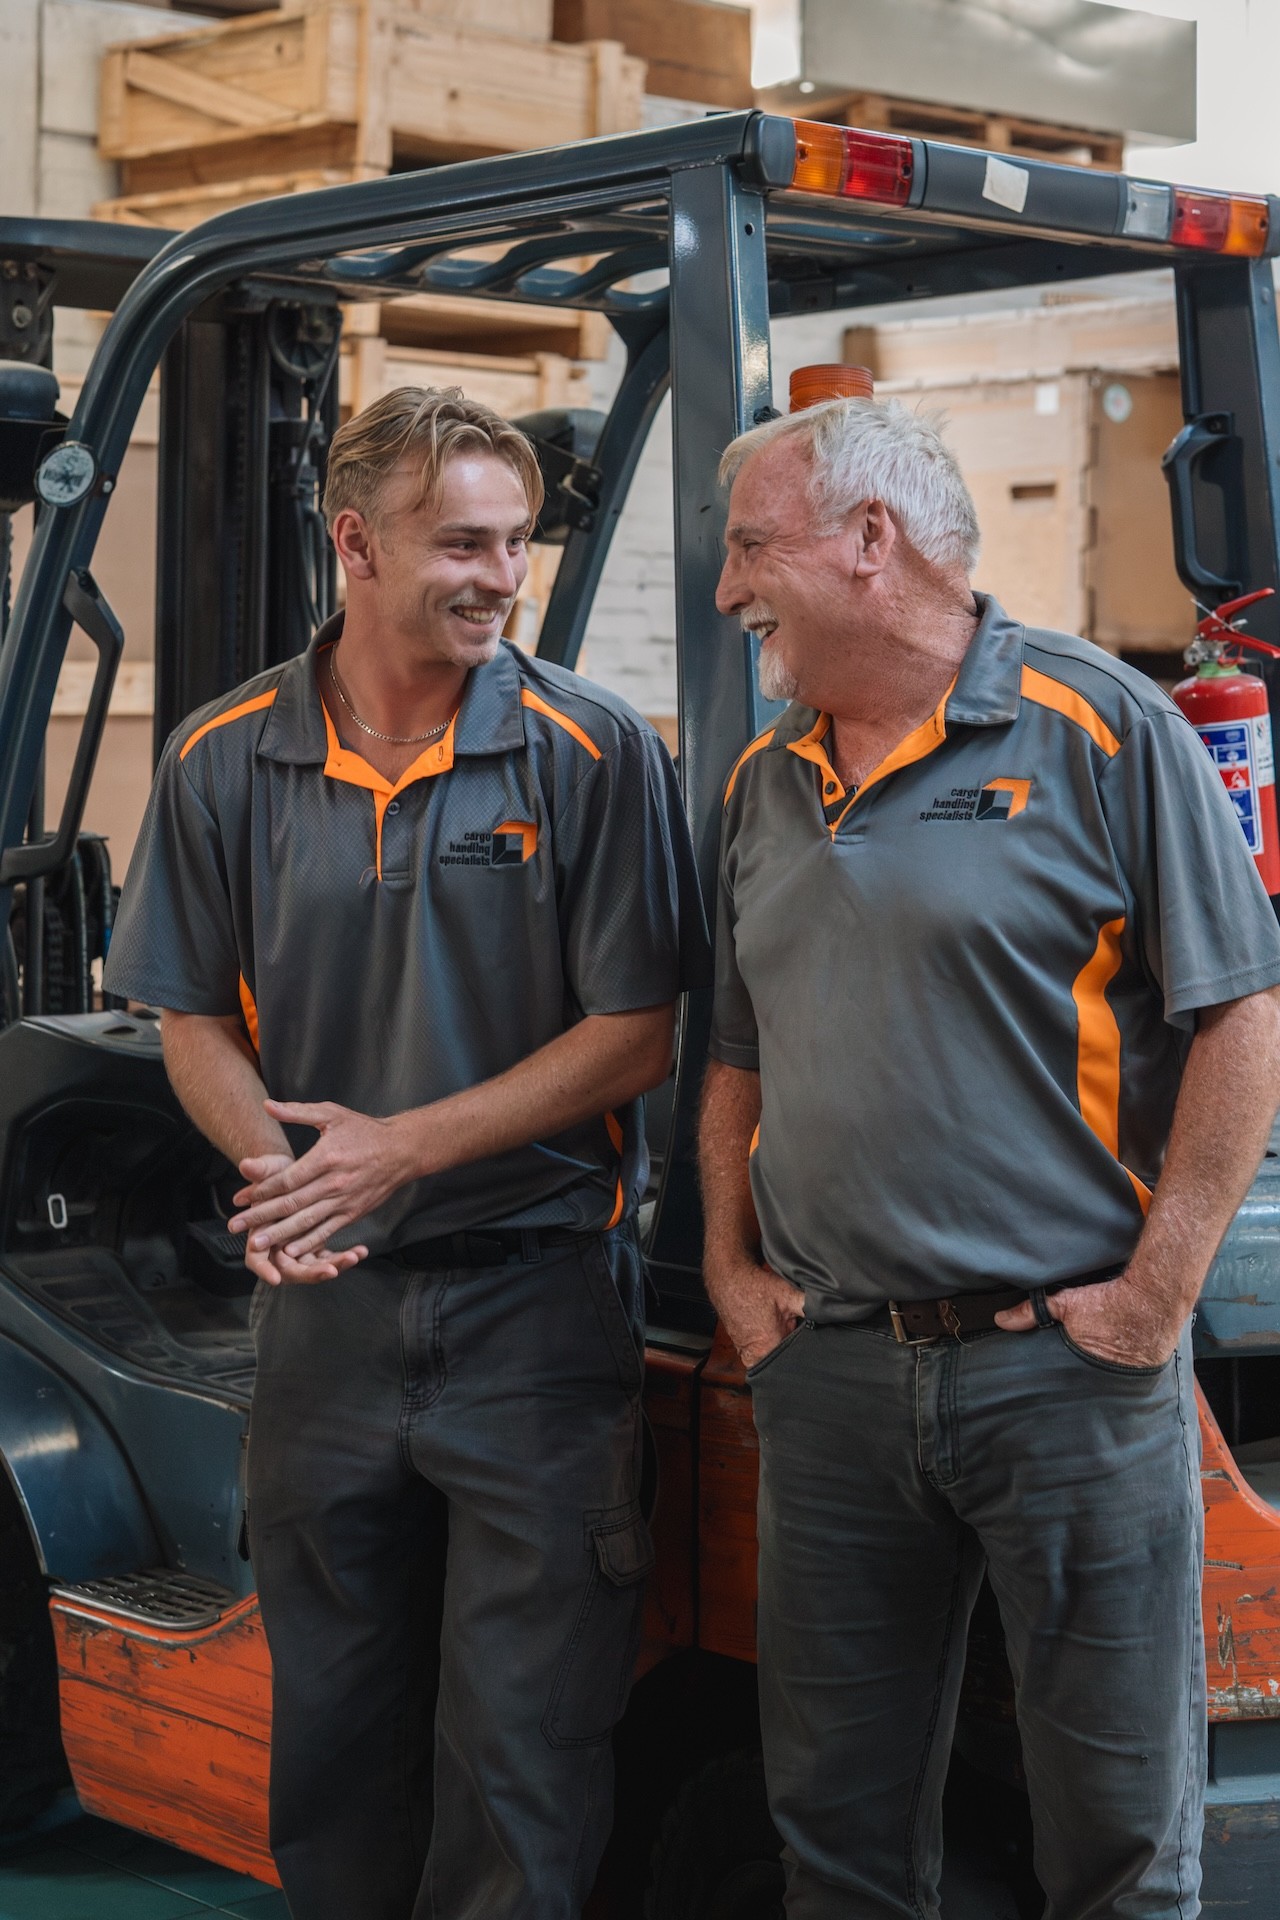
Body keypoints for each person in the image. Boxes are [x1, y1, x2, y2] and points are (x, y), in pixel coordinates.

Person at [103, 385, 709, 1920]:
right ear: (355, 542)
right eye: (464, 543)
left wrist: (396, 1154)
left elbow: (636, 1032)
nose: (503, 576)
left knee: (523, 1751)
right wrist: (285, 1178)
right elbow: (185, 1016)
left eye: (516, 543)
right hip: (326, 1321)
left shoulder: (592, 750)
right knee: (335, 1735)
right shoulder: (222, 758)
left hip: (537, 1313)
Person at [698, 395, 1280, 1919]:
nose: (725, 589)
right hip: (829, 1375)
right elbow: (737, 1048)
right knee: (835, 1825)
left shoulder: (1103, 727)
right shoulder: (766, 778)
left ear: (868, 544)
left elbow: (1239, 1019)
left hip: (1065, 1375)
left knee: (1117, 1833)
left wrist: (1158, 1298)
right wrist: (728, 1267)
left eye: (751, 547)